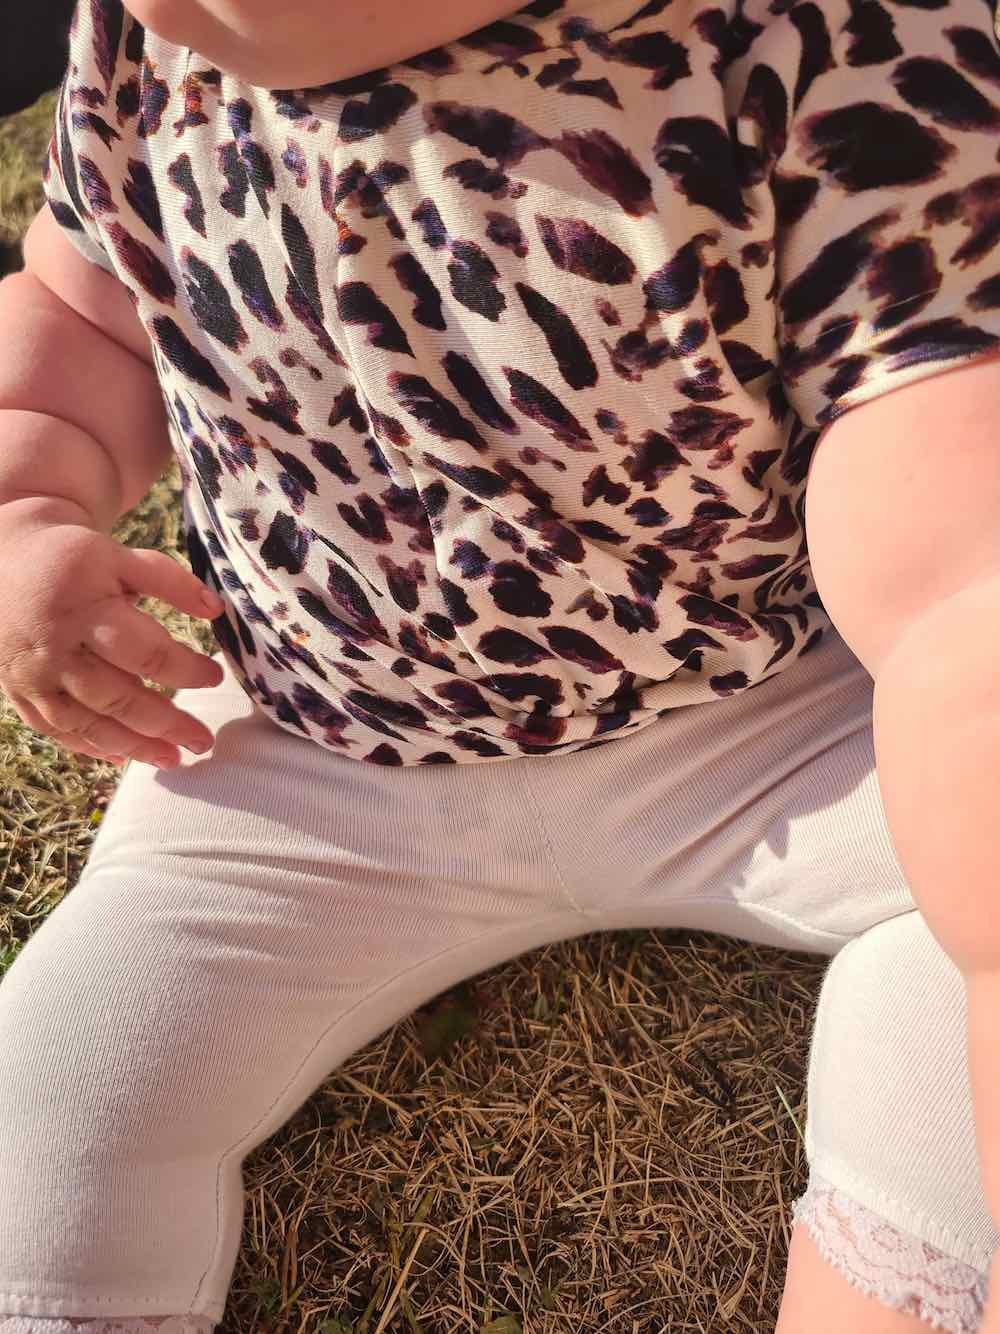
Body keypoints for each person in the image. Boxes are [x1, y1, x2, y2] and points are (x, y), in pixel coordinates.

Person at [0, 0, 998, 1330]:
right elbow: (83, 322)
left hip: (768, 719)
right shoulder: (146, 49)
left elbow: (955, 571)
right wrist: (25, 501)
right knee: (47, 1105)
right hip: (306, 745)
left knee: (956, 941)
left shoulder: (804, 40)